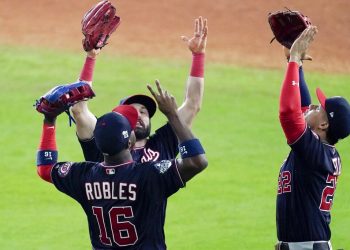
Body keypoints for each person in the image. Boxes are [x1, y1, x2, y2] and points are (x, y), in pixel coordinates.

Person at [36, 80, 208, 249]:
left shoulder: (84, 176)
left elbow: (45, 169)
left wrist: (49, 120)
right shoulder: (149, 176)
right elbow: (197, 162)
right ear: (130, 143)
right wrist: (172, 115)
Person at [71, 16, 208, 163]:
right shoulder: (104, 141)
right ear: (119, 121)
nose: (138, 116)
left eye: (143, 112)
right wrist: (91, 57)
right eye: (130, 112)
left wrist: (198, 56)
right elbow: (79, 109)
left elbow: (192, 104)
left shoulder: (164, 143)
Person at [275, 26, 350, 250]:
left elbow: (290, 112)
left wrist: (294, 62)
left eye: (321, 108)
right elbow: (302, 107)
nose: (314, 106)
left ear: (324, 124)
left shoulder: (314, 152)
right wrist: (296, 64)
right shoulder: (320, 149)